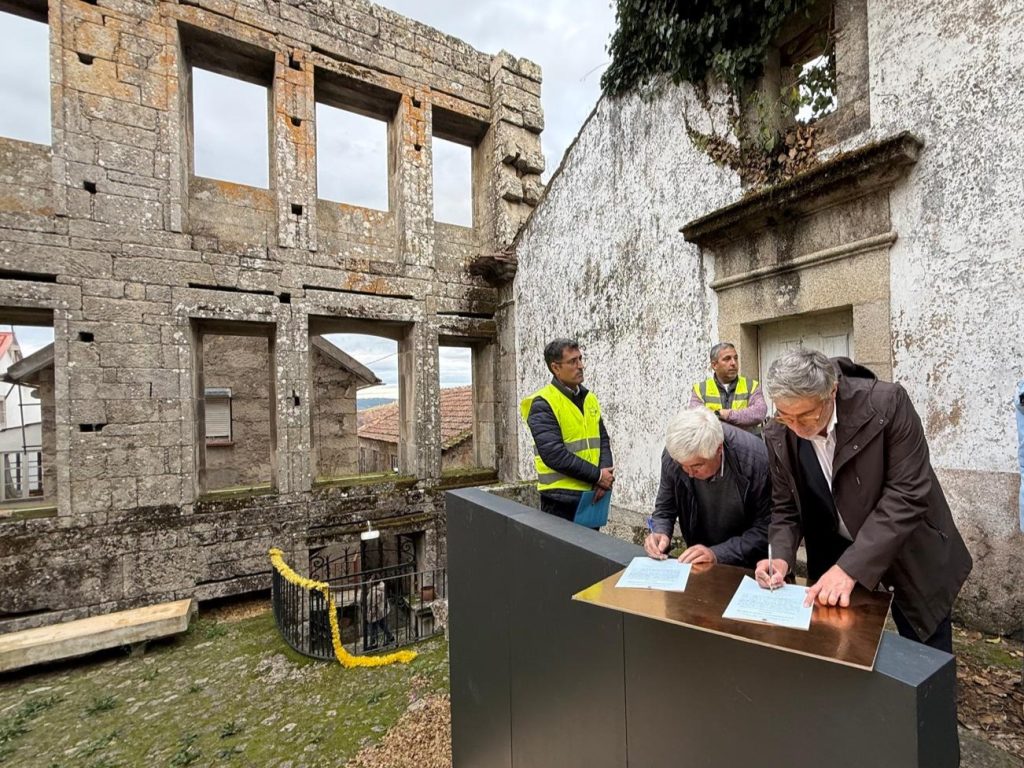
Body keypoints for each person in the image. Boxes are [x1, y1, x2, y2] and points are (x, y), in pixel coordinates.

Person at [754, 349, 972, 654]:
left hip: (908, 547)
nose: (797, 428)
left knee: (925, 649)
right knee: (840, 645)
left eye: (806, 415)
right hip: (834, 549)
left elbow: (907, 495)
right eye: (786, 416)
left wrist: (851, 568)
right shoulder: (780, 432)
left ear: (832, 391)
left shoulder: (887, 403)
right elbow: (786, 508)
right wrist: (780, 556)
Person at [644, 407, 769, 568]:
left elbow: (766, 528)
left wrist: (718, 553)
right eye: (683, 466)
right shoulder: (675, 455)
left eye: (697, 466)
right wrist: (660, 532)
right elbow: (664, 509)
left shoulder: (755, 459)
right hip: (698, 561)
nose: (689, 473)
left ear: (718, 449)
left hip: (750, 565)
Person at [521, 338, 614, 525]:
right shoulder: (542, 403)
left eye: (580, 359)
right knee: (561, 554)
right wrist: (597, 476)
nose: (581, 366)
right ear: (556, 368)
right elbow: (553, 454)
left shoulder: (589, 398)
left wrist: (605, 476)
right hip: (560, 499)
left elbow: (602, 438)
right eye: (573, 361)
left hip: (592, 495)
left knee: (591, 552)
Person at [689, 342, 767, 433]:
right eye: (727, 359)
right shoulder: (700, 389)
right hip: (714, 445)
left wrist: (725, 414)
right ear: (714, 365)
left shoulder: (751, 386)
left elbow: (759, 413)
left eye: (735, 358)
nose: (733, 363)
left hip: (745, 445)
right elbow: (696, 419)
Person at [364, 580, 393, 650]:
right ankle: (390, 637)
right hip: (382, 610)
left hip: (377, 612)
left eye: (370, 579)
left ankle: (373, 643)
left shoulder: (374, 592)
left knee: (373, 627)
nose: (369, 581)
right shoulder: (381, 586)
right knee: (382, 624)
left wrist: (370, 615)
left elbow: (374, 605)